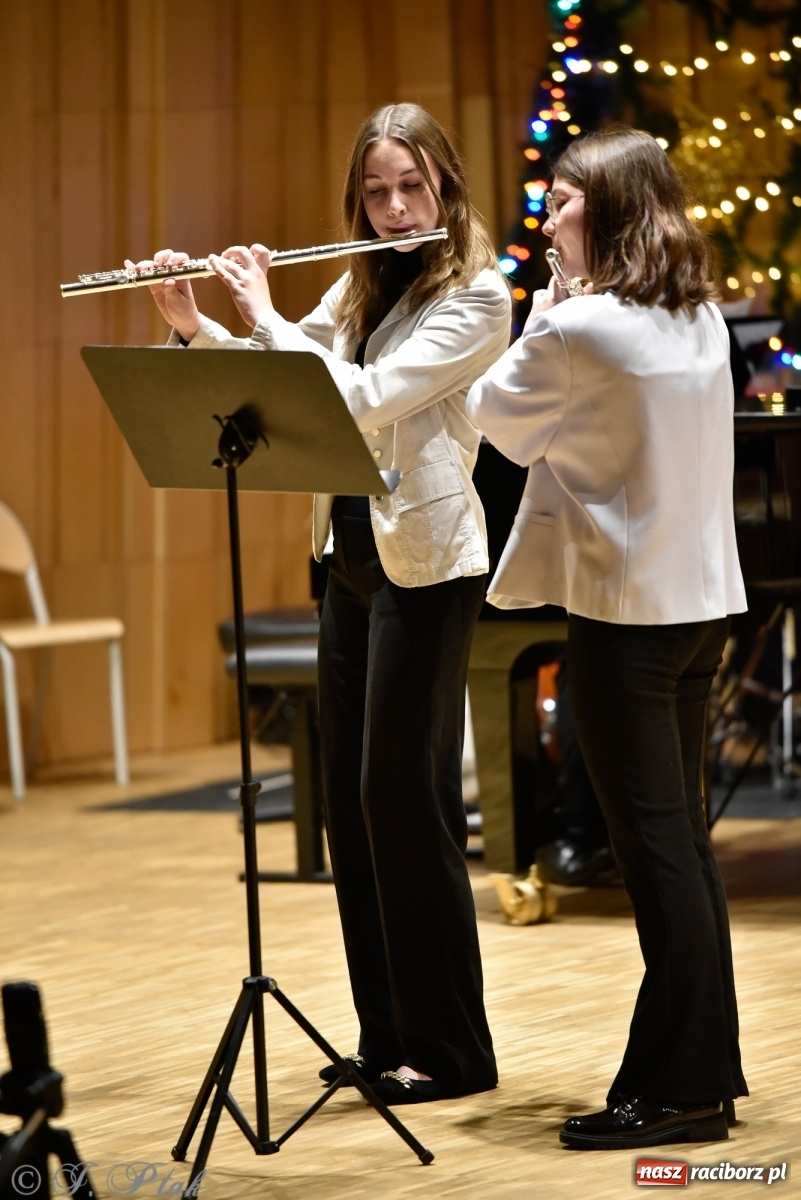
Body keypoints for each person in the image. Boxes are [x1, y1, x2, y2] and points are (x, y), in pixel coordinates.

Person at [133, 103, 512, 1105]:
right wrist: (197, 325)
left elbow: (364, 399)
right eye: (377, 191)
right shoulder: (364, 280)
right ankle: (386, 1035)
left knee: (403, 799)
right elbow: (284, 377)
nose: (392, 208)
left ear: (444, 186)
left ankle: (454, 1050)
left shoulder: (478, 293)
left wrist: (259, 315)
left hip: (427, 565)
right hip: (346, 556)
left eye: (410, 188)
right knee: (349, 803)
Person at [466, 126, 748, 1149]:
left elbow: (494, 421)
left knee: (654, 854)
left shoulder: (584, 330)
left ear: (615, 209)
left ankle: (678, 1090)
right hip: (702, 610)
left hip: (625, 624)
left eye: (565, 199)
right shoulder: (700, 317)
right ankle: (701, 1076)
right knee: (684, 848)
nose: (547, 215)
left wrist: (542, 311)